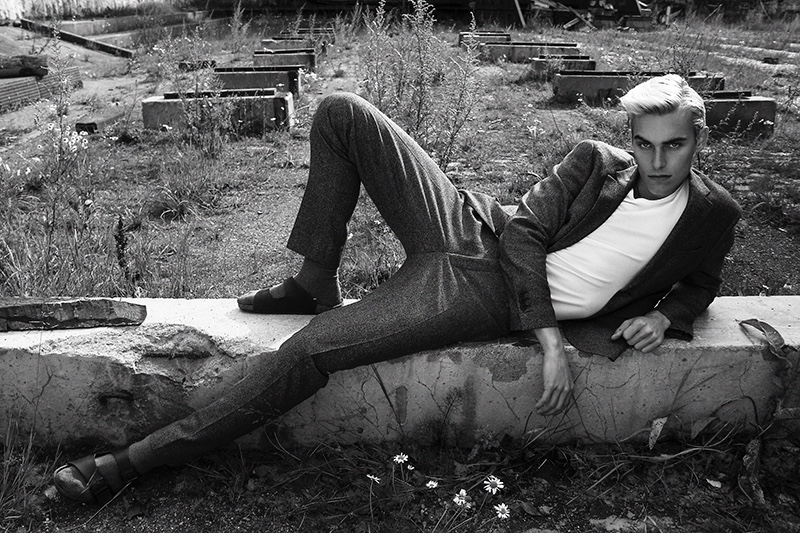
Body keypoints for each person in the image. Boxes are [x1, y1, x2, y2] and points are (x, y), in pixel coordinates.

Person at [53, 74, 740, 505]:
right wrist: (552, 343)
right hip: (474, 230)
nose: (655, 162)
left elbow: (702, 283)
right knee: (341, 111)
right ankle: (313, 278)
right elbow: (526, 234)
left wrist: (668, 313)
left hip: (475, 293)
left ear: (697, 140)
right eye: (645, 145)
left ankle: (134, 460)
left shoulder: (714, 214)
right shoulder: (596, 161)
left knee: (310, 352)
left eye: (673, 146)